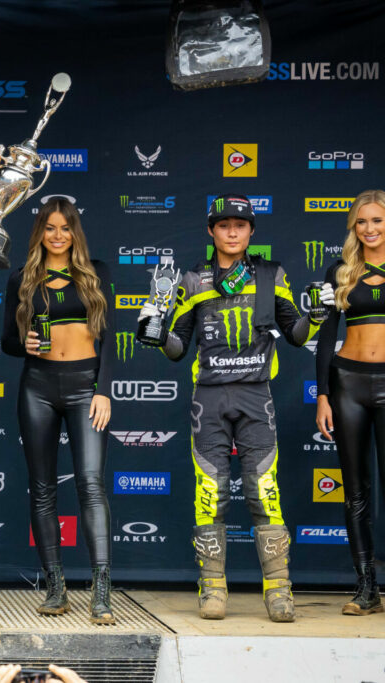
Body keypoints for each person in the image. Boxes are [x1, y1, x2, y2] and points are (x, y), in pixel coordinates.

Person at [140, 194, 325, 622]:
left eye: (240, 225)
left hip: (256, 396)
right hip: (209, 399)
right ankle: (213, 589)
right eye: (224, 225)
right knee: (211, 495)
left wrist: (314, 317)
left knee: (265, 492)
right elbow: (177, 348)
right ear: (211, 231)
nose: (232, 232)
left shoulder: (270, 274)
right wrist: (155, 335)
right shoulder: (192, 279)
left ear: (251, 231)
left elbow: (295, 335)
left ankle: (279, 590)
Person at [0, 197, 115, 624]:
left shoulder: (96, 273)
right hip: (38, 386)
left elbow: (111, 337)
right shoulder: (22, 279)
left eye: (66, 227)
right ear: (40, 233)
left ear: (75, 232)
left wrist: (104, 390)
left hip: (87, 387)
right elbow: (7, 342)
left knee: (90, 483)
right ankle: (55, 586)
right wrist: (23, 342)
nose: (58, 235)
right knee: (43, 487)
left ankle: (101, 590)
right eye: (50, 227)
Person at [315, 189, 385, 616]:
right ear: (353, 227)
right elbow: (325, 337)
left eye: (377, 220)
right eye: (362, 221)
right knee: (355, 490)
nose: (370, 229)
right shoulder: (340, 271)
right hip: (348, 384)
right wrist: (323, 393)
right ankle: (367, 588)